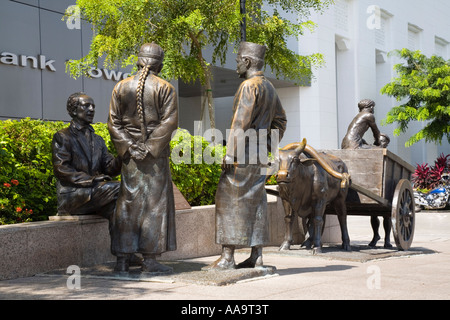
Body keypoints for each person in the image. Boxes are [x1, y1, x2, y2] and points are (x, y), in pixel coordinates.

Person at [207, 41, 287, 270]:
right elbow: (281, 120)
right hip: (260, 155)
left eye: (238, 60)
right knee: (256, 200)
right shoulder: (270, 87)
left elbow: (240, 123)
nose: (236, 64)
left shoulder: (248, 86)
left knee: (227, 200)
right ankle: (257, 256)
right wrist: (268, 144)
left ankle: (228, 257)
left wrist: (231, 153)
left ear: (248, 61)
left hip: (243, 155)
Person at [108, 43, 178, 274]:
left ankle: (122, 261)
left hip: (130, 158)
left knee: (127, 205)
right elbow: (169, 123)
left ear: (138, 61)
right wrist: (148, 148)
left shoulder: (120, 86)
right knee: (153, 206)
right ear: (160, 64)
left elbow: (113, 123)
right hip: (154, 157)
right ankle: (149, 260)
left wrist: (129, 147)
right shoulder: (165, 87)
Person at [52, 92, 121, 219]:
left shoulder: (98, 140)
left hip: (96, 193)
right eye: (86, 106)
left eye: (93, 107)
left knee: (122, 212)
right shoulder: (63, 136)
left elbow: (109, 168)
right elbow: (61, 169)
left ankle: (123, 238)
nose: (91, 110)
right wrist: (92, 180)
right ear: (73, 110)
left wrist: (123, 155)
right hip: (74, 195)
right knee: (122, 188)